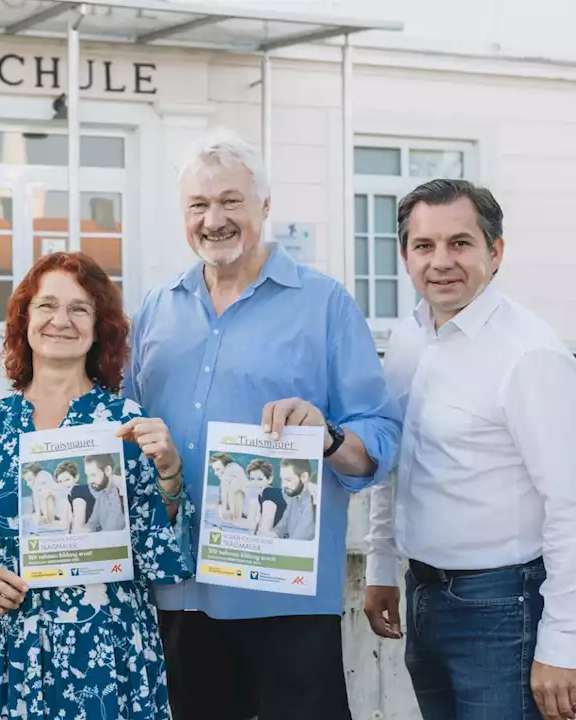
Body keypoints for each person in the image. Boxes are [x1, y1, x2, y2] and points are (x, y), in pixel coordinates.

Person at [124, 128, 402, 720]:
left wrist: (326, 437)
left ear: (265, 207)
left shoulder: (325, 304)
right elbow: (124, 428)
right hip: (178, 592)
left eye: (231, 201)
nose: (213, 219)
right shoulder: (156, 308)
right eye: (198, 205)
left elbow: (380, 435)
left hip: (285, 598)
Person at [363, 179, 576, 720]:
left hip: (503, 607)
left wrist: (561, 643)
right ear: (404, 255)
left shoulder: (531, 355)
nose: (441, 261)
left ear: (494, 252)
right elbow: (397, 465)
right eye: (424, 246)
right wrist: (380, 566)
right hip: (423, 590)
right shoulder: (408, 340)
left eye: (461, 243)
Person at [0, 252, 195, 720]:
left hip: (108, 651)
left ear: (100, 327)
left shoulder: (128, 425)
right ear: (25, 319)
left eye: (80, 309)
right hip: (11, 651)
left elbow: (162, 553)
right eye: (47, 306)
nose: (61, 320)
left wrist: (170, 474)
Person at [261, 458, 316, 541]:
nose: (283, 485)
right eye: (282, 479)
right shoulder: (294, 497)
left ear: (304, 477)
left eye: (288, 480)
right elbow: (281, 528)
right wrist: (268, 536)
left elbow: (296, 541)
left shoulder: (312, 504)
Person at [74, 453, 127, 533]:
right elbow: (92, 523)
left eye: (93, 475)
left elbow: (110, 532)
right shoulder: (101, 491)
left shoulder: (120, 492)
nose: (89, 481)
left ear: (107, 470)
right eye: (88, 476)